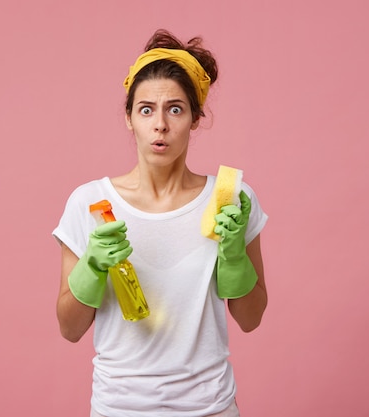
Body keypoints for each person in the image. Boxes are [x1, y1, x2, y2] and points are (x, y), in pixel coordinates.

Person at [53, 29, 268, 417]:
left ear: (195, 119)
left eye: (175, 109)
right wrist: (92, 267)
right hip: (119, 409)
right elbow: (69, 330)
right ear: (129, 118)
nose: (160, 125)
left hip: (211, 408)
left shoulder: (232, 199)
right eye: (146, 109)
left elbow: (250, 319)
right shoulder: (89, 203)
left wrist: (234, 256)